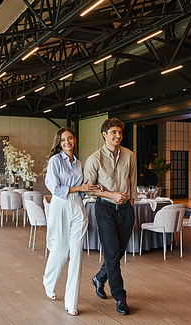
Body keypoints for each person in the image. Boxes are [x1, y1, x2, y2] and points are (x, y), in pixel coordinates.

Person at [83, 118, 137, 315]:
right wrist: (111, 194)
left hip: (126, 211)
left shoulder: (130, 156)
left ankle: (99, 278)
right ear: (104, 134)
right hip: (105, 209)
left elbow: (133, 183)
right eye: (114, 132)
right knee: (112, 255)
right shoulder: (94, 159)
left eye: (120, 133)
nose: (118, 136)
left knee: (118, 253)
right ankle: (120, 297)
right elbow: (88, 190)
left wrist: (131, 206)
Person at [43, 127, 98, 316]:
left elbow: (81, 190)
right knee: (60, 252)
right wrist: (78, 187)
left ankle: (71, 302)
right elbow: (55, 188)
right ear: (59, 142)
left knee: (76, 255)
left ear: (75, 140)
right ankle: (49, 283)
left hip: (78, 207)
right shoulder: (55, 161)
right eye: (63, 139)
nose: (67, 142)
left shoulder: (79, 164)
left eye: (70, 138)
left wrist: (89, 188)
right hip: (60, 206)